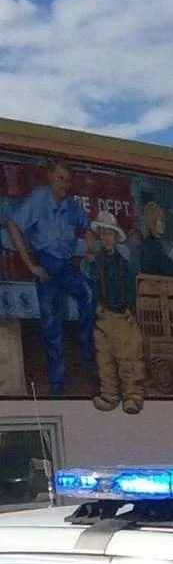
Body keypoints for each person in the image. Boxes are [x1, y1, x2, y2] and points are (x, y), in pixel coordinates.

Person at [6, 159, 95, 394]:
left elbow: (87, 228)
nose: (64, 184)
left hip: (66, 267)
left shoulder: (71, 206)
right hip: (45, 264)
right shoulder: (38, 199)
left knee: (88, 294)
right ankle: (58, 385)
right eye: (59, 178)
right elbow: (13, 226)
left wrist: (86, 254)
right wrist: (31, 265)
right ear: (50, 177)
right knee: (51, 322)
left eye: (67, 179)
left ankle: (89, 359)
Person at [87, 213, 146, 414]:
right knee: (104, 358)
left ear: (115, 237)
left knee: (128, 357)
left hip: (120, 315)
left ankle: (132, 397)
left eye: (109, 234)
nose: (106, 238)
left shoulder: (123, 264)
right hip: (102, 315)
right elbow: (93, 285)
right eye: (102, 234)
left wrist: (129, 311)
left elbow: (130, 290)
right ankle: (109, 396)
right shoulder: (96, 262)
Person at [137, 201, 173, 277]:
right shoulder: (152, 246)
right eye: (161, 220)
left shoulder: (151, 243)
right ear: (152, 222)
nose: (164, 224)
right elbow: (172, 270)